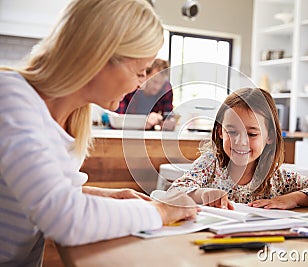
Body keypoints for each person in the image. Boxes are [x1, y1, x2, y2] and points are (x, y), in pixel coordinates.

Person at [0, 0, 197, 265]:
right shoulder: (10, 98)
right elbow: (64, 216)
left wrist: (111, 196)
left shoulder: (72, 115)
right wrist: (161, 211)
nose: (141, 83)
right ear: (98, 56)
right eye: (140, 72)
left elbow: (50, 193)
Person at [168, 88, 308, 210]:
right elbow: (173, 191)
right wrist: (201, 194)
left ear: (269, 137)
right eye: (231, 131)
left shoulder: (276, 176)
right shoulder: (210, 164)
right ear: (220, 131)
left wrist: (293, 199)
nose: (240, 141)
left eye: (252, 134)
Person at [116, 58, 174, 130]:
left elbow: (168, 116)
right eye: (154, 81)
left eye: (161, 83)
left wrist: (166, 122)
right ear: (145, 75)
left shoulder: (166, 89)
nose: (157, 87)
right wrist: (143, 121)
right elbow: (117, 118)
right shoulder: (131, 86)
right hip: (125, 131)